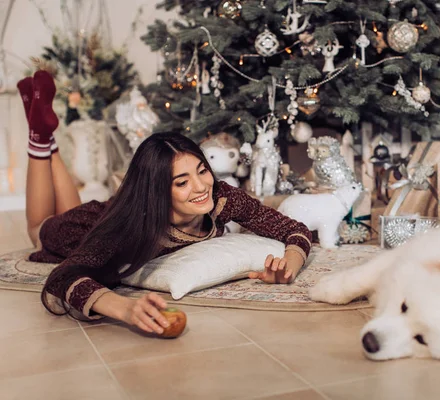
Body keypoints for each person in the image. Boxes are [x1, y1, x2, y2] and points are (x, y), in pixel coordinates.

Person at [17, 70, 312, 335]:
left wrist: (289, 267)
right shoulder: (129, 230)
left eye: (202, 171)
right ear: (157, 191)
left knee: (63, 209)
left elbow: (293, 229)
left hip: (107, 208)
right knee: (37, 229)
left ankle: (44, 133)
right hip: (80, 227)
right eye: (182, 182)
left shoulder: (223, 197)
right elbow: (63, 277)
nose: (201, 187)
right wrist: (126, 309)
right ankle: (40, 138)